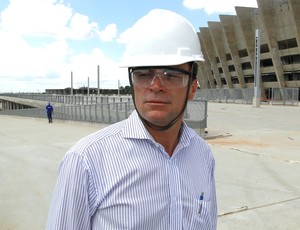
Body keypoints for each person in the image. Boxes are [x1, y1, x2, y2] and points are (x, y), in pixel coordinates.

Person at [46, 9, 217, 229]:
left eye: (172, 75)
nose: (156, 86)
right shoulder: (85, 161)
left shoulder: (203, 156)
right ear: (132, 82)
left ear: (193, 88)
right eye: (144, 74)